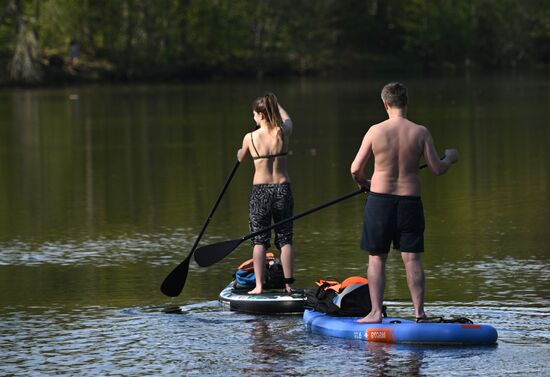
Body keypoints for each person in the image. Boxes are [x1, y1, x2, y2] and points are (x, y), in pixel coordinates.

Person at [350, 82, 459, 323]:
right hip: (410, 202)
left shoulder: (375, 131)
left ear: (385, 103)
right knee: (412, 259)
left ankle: (376, 312)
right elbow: (437, 169)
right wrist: (449, 158)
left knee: (377, 257)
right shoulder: (420, 132)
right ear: (406, 102)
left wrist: (366, 183)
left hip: (380, 202)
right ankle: (419, 313)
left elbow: (355, 169)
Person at [237, 93, 295, 295]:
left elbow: (241, 157)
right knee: (285, 238)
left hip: (260, 191)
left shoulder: (250, 137)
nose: (253, 117)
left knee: (259, 239)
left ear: (261, 115)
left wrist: (240, 151)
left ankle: (259, 286)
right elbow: (289, 120)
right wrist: (277, 105)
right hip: (282, 189)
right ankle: (288, 285)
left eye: (254, 114)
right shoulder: (282, 132)